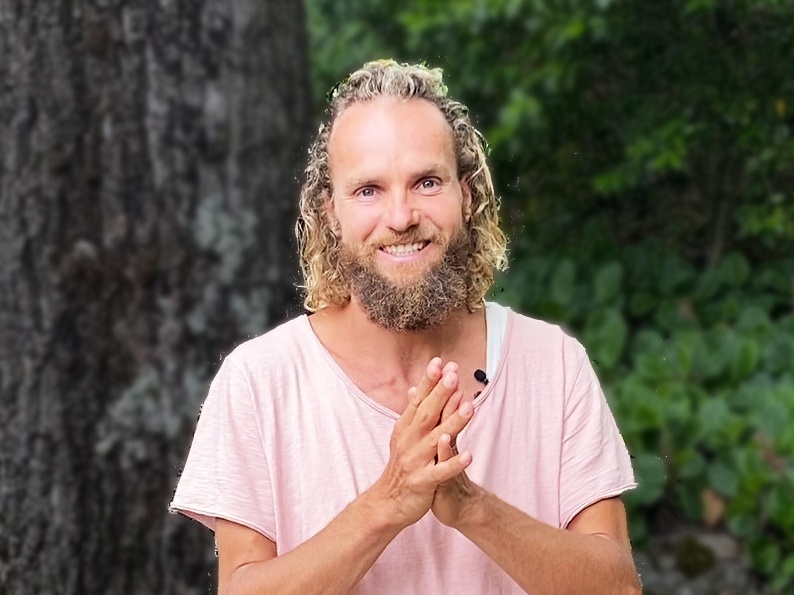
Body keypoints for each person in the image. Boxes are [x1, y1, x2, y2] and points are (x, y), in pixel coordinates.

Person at [170, 60, 641, 594]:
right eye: (368, 190)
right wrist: (390, 500)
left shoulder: (554, 364)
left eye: (426, 182)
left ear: (466, 196)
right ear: (330, 212)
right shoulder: (259, 380)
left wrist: (471, 507)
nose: (400, 216)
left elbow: (618, 589)